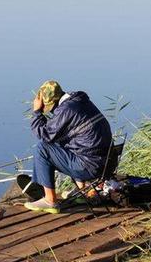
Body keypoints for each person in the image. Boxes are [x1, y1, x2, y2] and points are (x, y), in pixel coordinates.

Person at [23, 80, 112, 214]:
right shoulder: (80, 101)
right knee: (61, 142)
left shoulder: (66, 110)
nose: (51, 111)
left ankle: (50, 200)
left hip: (91, 167)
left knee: (42, 148)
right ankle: (82, 190)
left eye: (50, 108)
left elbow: (44, 135)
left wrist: (37, 112)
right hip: (106, 163)